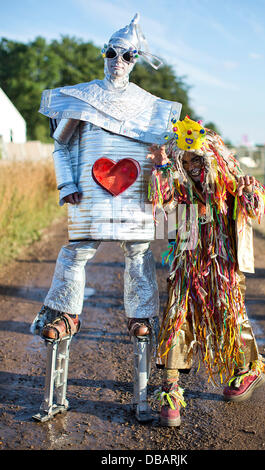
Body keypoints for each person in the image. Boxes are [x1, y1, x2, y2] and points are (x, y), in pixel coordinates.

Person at [30, 14, 181, 406]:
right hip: (90, 195)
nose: (118, 60)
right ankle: (66, 313)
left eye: (127, 55)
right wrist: (67, 183)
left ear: (136, 60)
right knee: (77, 250)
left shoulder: (153, 109)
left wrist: (164, 164)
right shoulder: (80, 99)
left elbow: (167, 153)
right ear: (104, 54)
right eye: (112, 52)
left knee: (139, 254)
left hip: (136, 199)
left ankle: (141, 317)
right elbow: (62, 146)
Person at [147, 116, 265, 426]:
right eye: (185, 161)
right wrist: (161, 168)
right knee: (176, 316)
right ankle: (171, 389)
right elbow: (160, 206)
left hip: (223, 265)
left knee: (229, 315)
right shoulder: (181, 186)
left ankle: (248, 369)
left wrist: (247, 194)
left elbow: (256, 209)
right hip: (187, 259)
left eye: (197, 160)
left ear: (212, 156)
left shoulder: (231, 181)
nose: (191, 167)